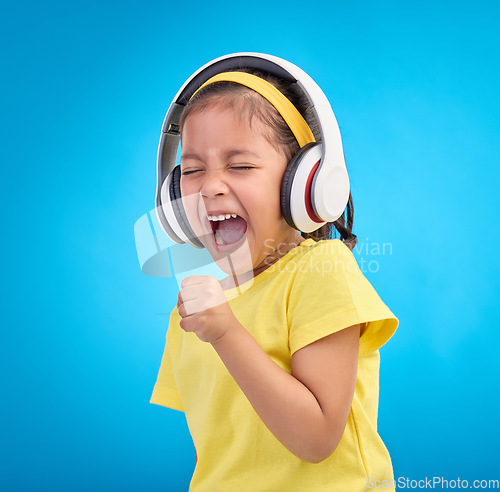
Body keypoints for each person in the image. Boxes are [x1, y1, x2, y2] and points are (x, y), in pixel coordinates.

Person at [150, 57, 399, 491]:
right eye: (191, 171)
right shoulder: (194, 310)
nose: (209, 186)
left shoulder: (322, 272)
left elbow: (316, 438)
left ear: (305, 184)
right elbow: (224, 451)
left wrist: (227, 334)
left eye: (240, 166)